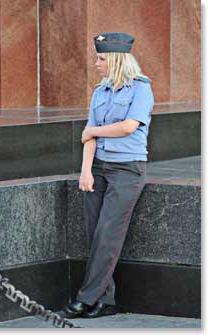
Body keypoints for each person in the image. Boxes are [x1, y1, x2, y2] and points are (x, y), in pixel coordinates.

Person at [64, 32, 154, 319]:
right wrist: (86, 171)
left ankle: (85, 299)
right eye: (97, 57)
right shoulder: (99, 92)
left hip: (127, 170)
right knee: (95, 235)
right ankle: (107, 301)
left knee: (107, 235)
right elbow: (87, 136)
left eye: (101, 58)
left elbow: (128, 126)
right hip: (99, 169)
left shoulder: (141, 89)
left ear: (116, 60)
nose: (96, 63)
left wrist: (94, 131)